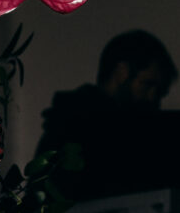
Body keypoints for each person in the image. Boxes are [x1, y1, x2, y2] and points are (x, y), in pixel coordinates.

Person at [36, 30, 179, 201]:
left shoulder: (69, 120)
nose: (152, 97)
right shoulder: (73, 127)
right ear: (122, 72)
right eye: (147, 85)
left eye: (158, 90)